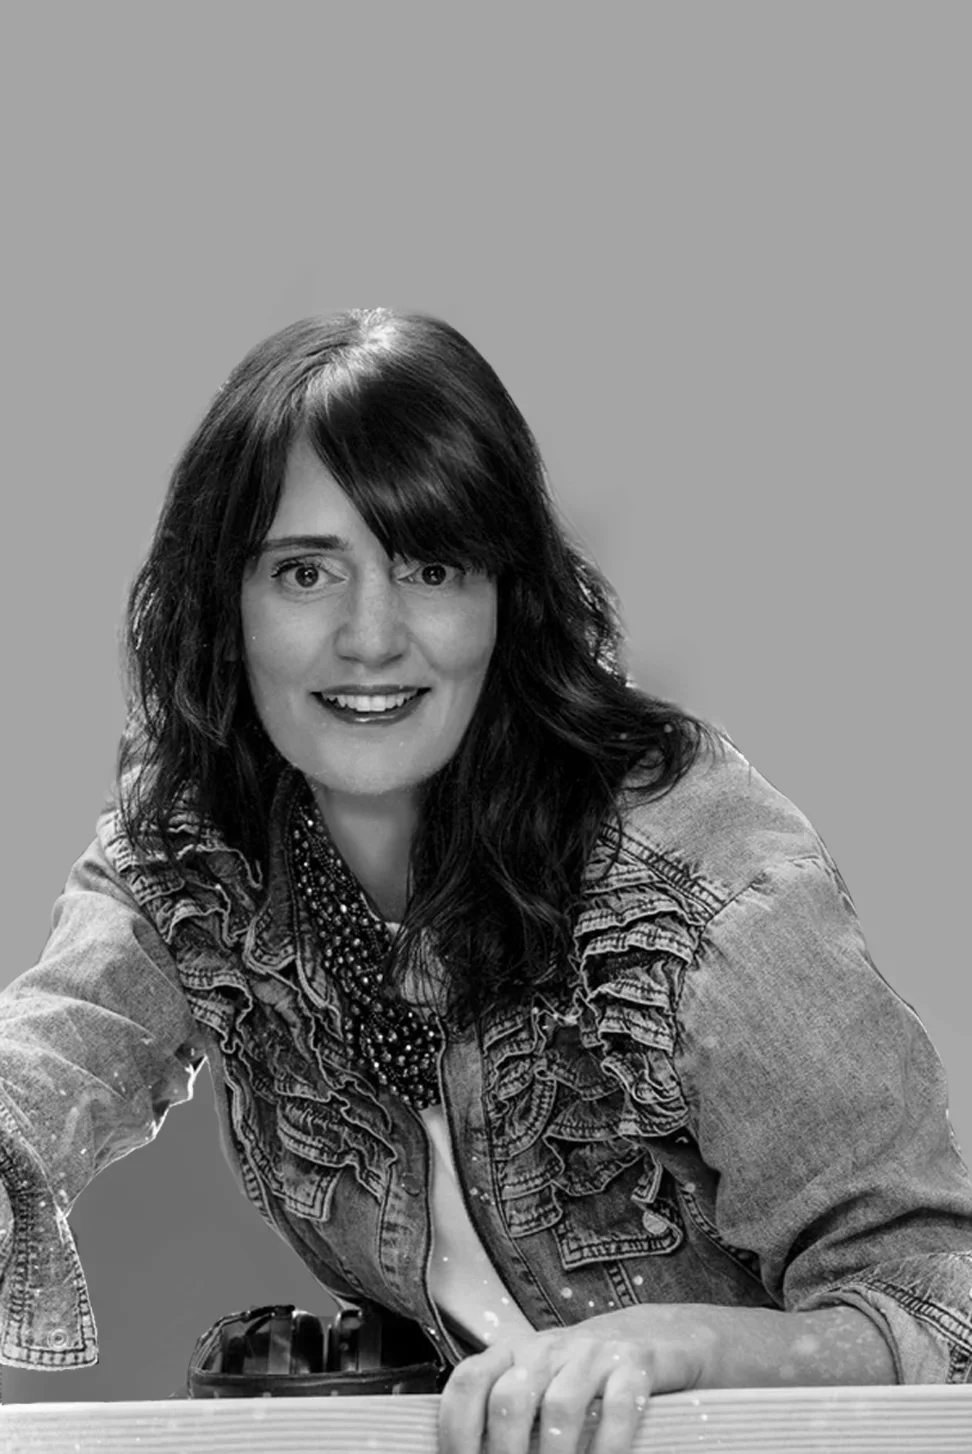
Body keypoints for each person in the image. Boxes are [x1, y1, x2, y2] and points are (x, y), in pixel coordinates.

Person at [1, 307, 970, 1453]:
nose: (371, 637)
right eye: (305, 571)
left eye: (431, 566)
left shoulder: (700, 890)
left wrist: (679, 1345)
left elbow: (937, 1303)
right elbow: (50, 1055)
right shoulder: (195, 856)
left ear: (505, 601)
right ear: (228, 608)